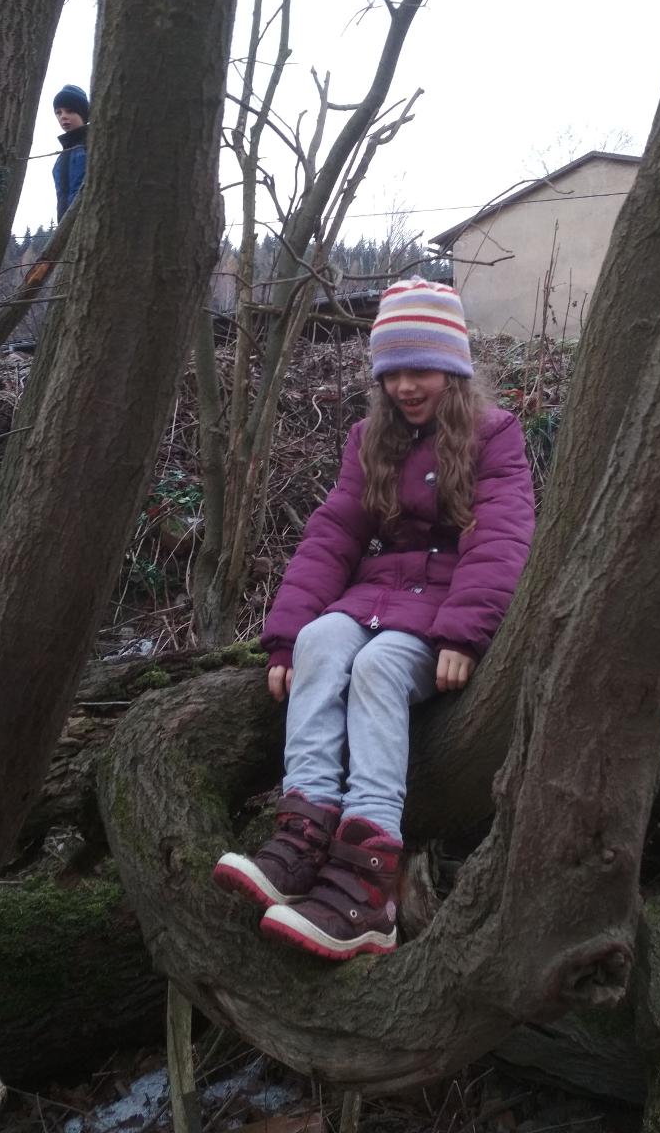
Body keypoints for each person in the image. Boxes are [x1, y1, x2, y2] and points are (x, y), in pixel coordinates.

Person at [214, 278, 535, 960]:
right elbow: (333, 536)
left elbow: (501, 539)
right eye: (392, 373)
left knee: (379, 667)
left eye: (421, 370)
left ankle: (368, 880)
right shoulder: (371, 439)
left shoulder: (493, 435)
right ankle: (302, 832)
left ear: (452, 369)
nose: (406, 386)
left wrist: (464, 633)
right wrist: (285, 639)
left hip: (439, 618)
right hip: (373, 602)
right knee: (322, 639)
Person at [51, 84, 90, 221]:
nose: (63, 116)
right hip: (66, 226)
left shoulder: (93, 145)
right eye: (58, 112)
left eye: (70, 111)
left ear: (83, 113)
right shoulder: (61, 157)